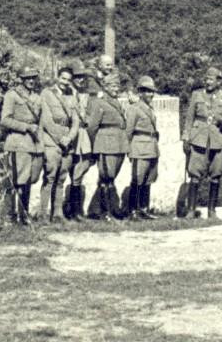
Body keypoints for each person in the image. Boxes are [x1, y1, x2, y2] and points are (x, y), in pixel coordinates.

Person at [181, 66, 222, 219]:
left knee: (216, 175)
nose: (208, 82)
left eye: (212, 79)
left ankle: (212, 211)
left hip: (218, 139)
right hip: (199, 139)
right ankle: (191, 210)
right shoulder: (196, 95)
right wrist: (186, 138)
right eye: (206, 79)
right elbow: (189, 119)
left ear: (218, 81)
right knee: (194, 174)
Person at [0, 64, 43, 226]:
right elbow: (5, 120)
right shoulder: (12, 95)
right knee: (15, 182)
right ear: (21, 79)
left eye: (33, 77)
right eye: (27, 78)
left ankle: (24, 216)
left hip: (33, 144)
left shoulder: (37, 97)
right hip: (17, 143)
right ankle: (10, 217)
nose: (31, 81)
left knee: (28, 181)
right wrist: (25, 127)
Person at [39, 64, 79, 223]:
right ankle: (42, 214)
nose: (65, 82)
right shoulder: (47, 93)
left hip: (67, 141)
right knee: (50, 177)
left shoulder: (72, 95)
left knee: (62, 178)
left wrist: (69, 138)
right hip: (51, 141)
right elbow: (46, 120)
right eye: (63, 78)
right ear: (57, 78)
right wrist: (59, 139)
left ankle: (57, 214)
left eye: (68, 80)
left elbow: (75, 121)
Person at [87, 72, 129, 221]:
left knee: (111, 178)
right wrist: (95, 147)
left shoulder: (117, 102)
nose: (115, 89)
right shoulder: (99, 102)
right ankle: (107, 212)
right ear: (105, 87)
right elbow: (92, 127)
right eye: (112, 86)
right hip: (105, 144)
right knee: (107, 177)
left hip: (119, 144)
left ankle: (101, 210)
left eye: (117, 86)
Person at [126, 75, 160, 220]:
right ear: (140, 92)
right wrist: (128, 150)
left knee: (148, 179)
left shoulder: (150, 108)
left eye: (152, 91)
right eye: (146, 91)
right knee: (137, 179)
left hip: (152, 147)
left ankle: (143, 209)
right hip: (139, 147)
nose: (150, 94)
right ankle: (133, 210)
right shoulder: (135, 108)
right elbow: (128, 130)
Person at [68, 59, 95, 222]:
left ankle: (76, 210)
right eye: (77, 77)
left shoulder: (85, 95)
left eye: (82, 77)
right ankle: (71, 210)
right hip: (72, 134)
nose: (80, 79)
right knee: (70, 172)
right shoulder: (67, 94)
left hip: (84, 135)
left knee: (81, 169)